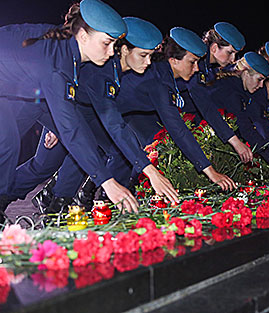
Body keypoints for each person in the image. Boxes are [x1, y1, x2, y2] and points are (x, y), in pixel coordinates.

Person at [12, 16, 179, 214]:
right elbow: (61, 88)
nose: (148, 62)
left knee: (103, 149)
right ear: (125, 50)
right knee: (42, 166)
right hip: (46, 107)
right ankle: (13, 197)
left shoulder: (116, 67)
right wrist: (55, 125)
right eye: (143, 55)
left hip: (73, 114)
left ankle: (61, 205)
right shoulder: (102, 68)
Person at [0, 0, 143, 222]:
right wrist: (107, 182)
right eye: (106, 43)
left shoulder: (68, 50)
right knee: (7, 142)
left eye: (114, 45)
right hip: (7, 88)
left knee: (9, 143)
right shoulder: (58, 62)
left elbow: (68, 116)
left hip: (9, 89)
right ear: (84, 36)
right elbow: (71, 128)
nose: (111, 52)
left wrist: (59, 122)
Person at [118, 27, 237, 191]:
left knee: (131, 154)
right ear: (174, 60)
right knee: (123, 153)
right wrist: (210, 172)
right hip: (99, 115)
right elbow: (176, 127)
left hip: (124, 115)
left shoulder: (168, 75)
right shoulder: (158, 80)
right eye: (192, 62)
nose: (196, 68)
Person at [208, 52, 269, 180]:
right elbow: (247, 128)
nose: (261, 86)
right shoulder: (230, 91)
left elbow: (259, 121)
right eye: (259, 79)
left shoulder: (243, 90)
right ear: (245, 73)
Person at [176, 22, 253, 164]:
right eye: (230, 52)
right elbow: (205, 105)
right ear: (214, 48)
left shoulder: (208, 69)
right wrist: (235, 142)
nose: (233, 59)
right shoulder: (196, 62)